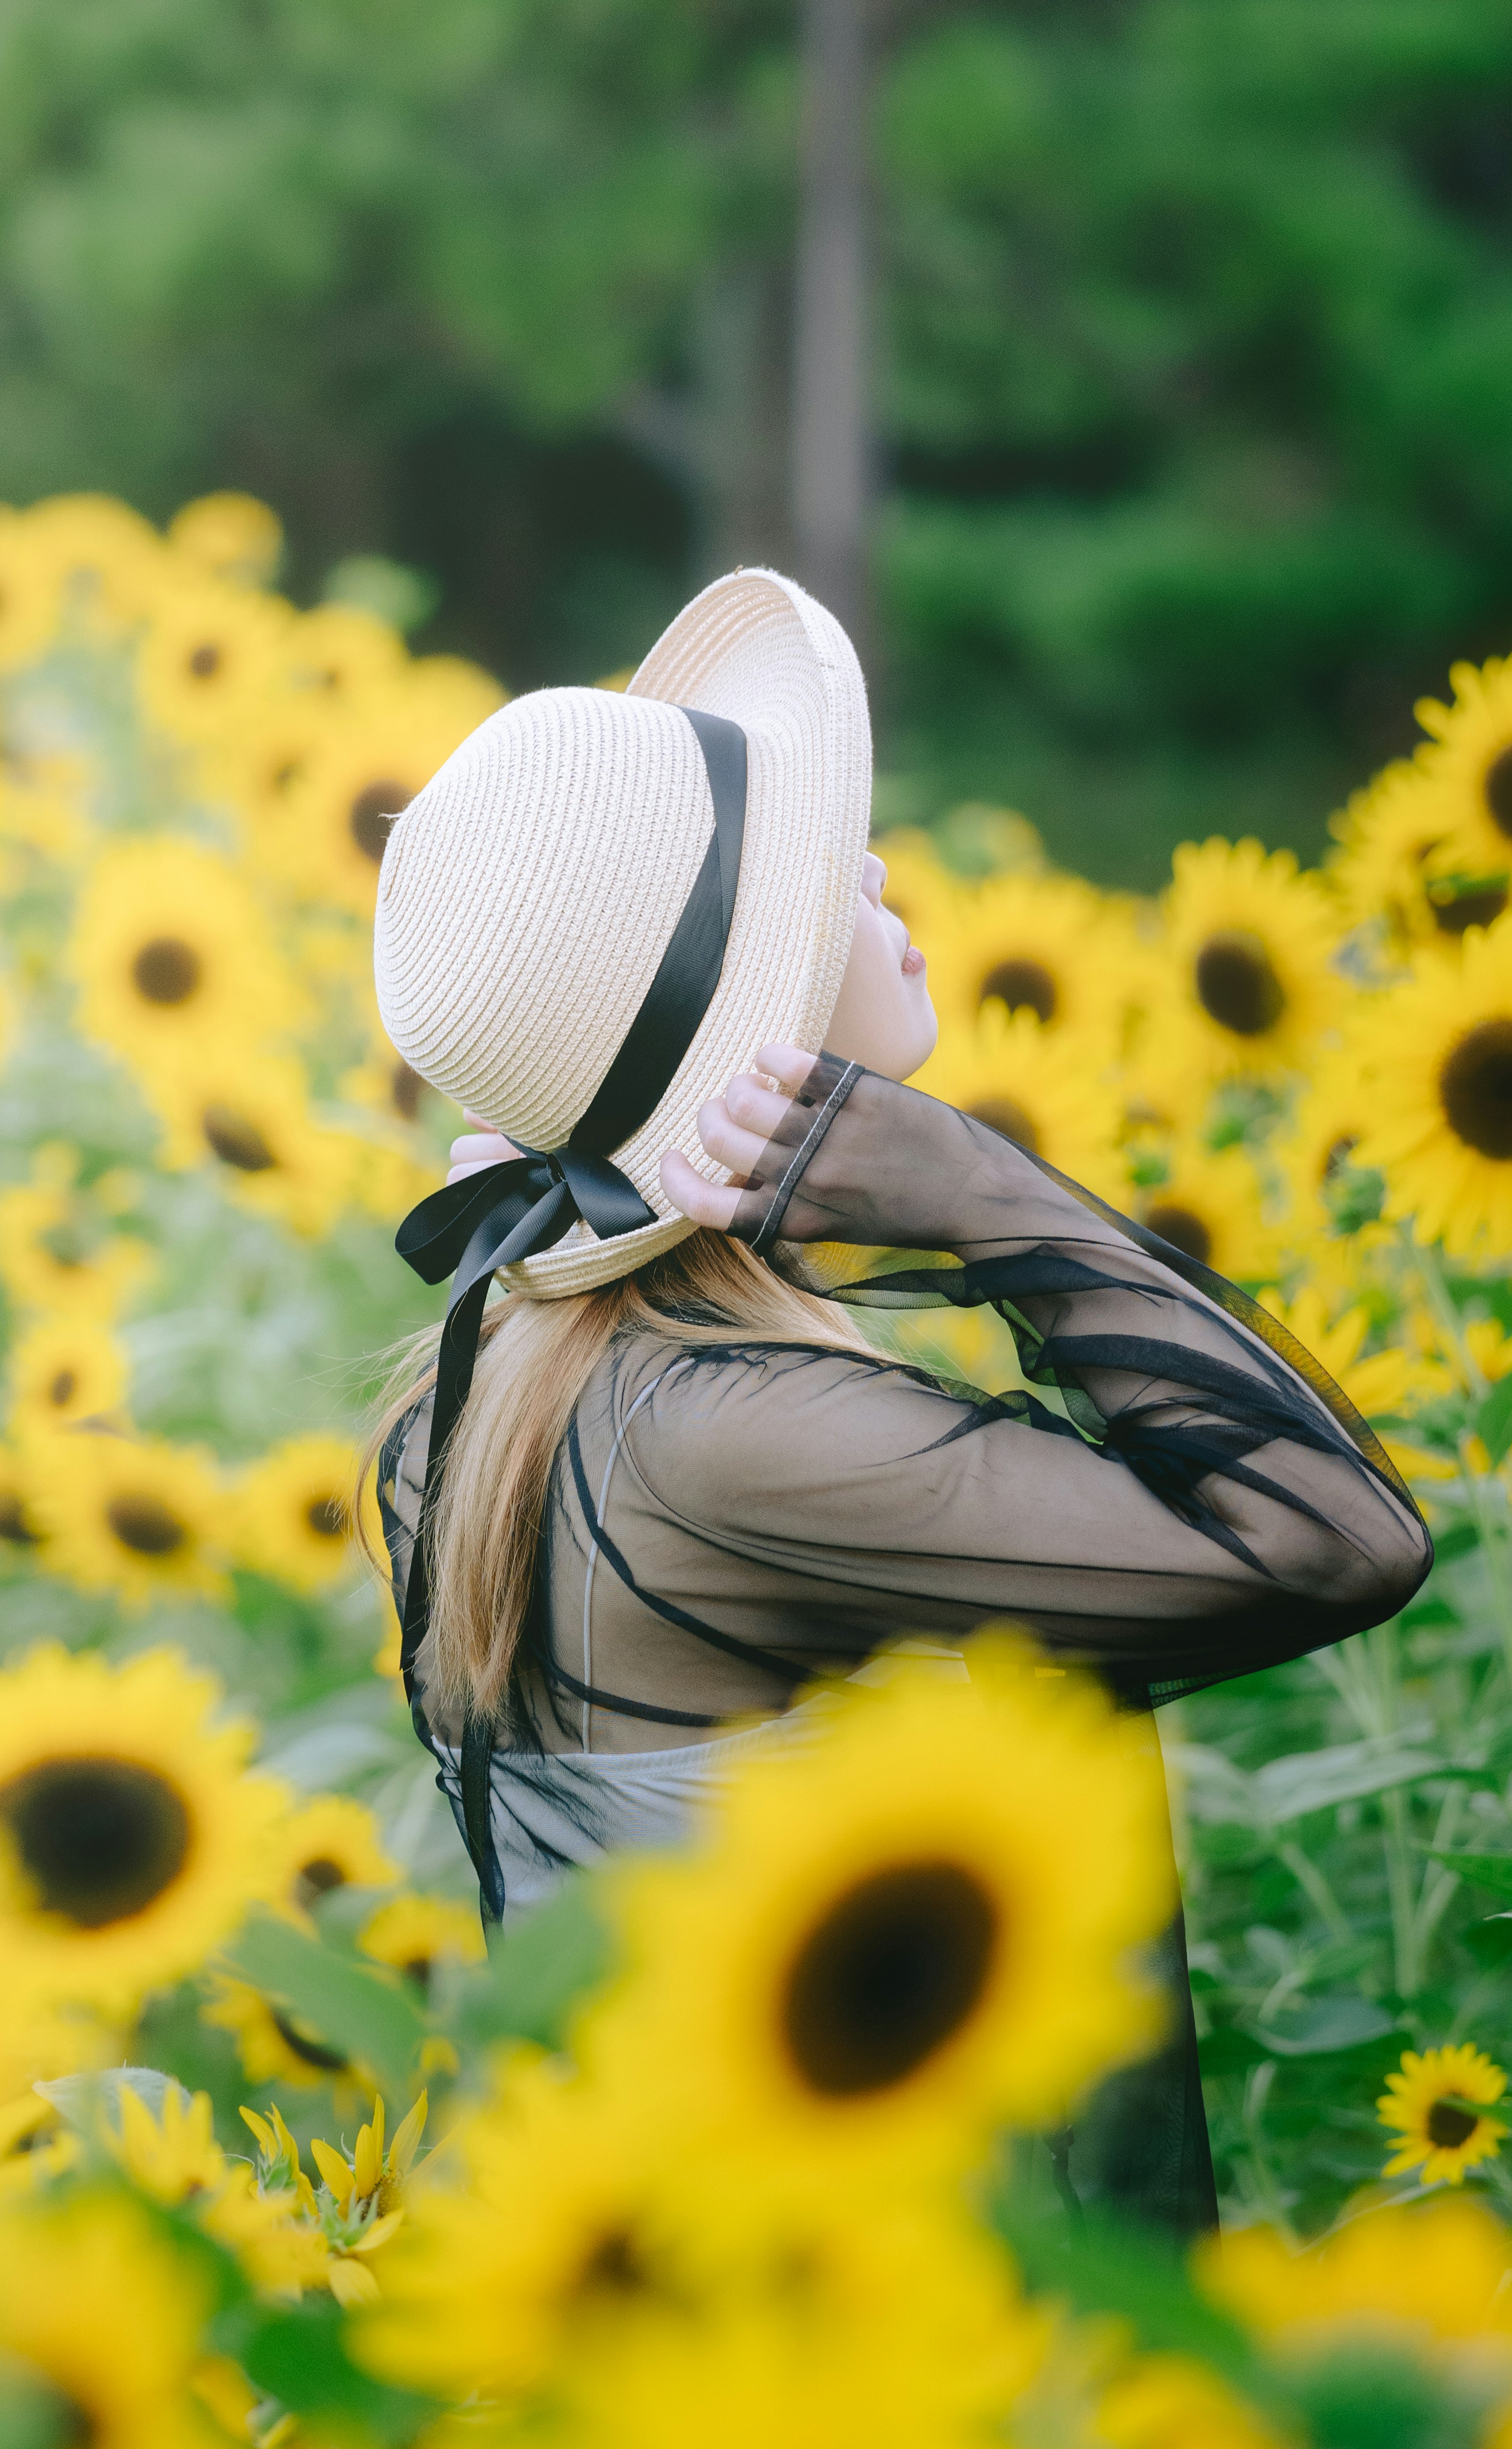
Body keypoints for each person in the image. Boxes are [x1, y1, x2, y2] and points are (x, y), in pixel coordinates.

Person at [368, 568, 1430, 2236]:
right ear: (763, 1041)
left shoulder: (524, 1366)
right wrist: (985, 1192)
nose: (869, 869)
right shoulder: (723, 1429)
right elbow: (1338, 1538)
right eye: (809, 885)